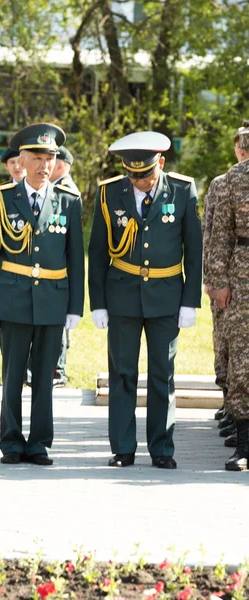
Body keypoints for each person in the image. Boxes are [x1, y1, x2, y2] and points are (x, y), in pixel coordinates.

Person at [88, 131, 202, 469]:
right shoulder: (110, 192)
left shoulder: (182, 190)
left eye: (146, 175)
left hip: (166, 295)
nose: (140, 182)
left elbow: (193, 250)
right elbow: (96, 251)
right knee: (122, 372)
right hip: (122, 293)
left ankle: (162, 448)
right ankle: (123, 448)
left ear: (161, 164)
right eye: (133, 175)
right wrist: (98, 302)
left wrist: (189, 301)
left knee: (162, 374)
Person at [0, 123, 85, 466]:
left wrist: (75, 306)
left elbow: (75, 257)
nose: (44, 165)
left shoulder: (69, 201)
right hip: (13, 298)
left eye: (50, 158)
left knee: (45, 377)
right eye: (37, 157)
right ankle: (11, 441)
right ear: (21, 160)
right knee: (12, 376)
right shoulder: (1, 198)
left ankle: (39, 442)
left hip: (53, 298)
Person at [202, 120, 249, 444]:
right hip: (242, 275)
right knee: (241, 359)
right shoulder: (234, 179)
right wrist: (217, 280)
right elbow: (218, 235)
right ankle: (244, 442)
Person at [49, 145, 81, 387]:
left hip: (62, 268)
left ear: (59, 165)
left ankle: (58, 369)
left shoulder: (65, 190)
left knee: (58, 321)